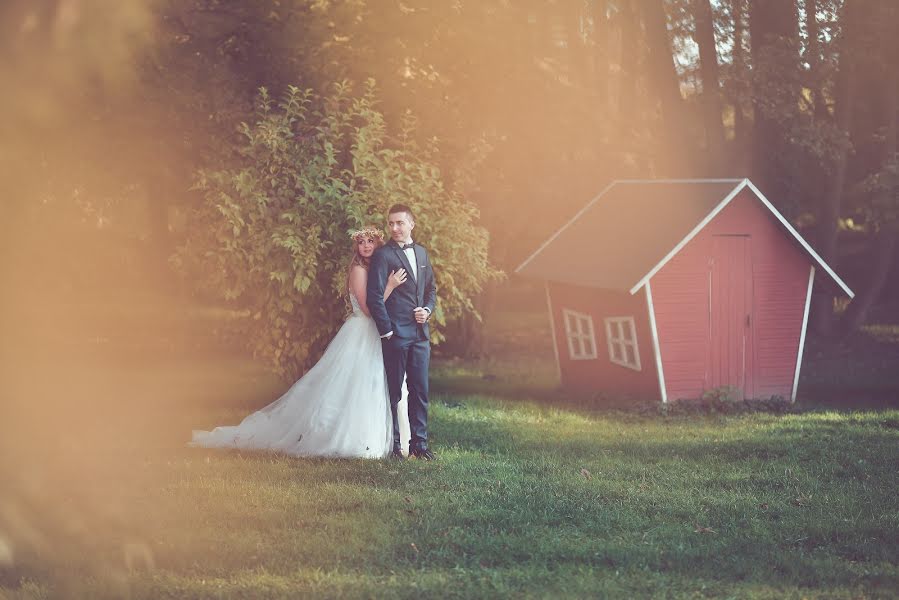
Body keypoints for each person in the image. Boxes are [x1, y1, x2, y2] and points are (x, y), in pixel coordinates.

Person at [189, 227, 411, 458]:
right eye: (361, 242)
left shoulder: (375, 267)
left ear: (378, 244)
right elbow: (367, 309)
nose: (365, 246)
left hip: (379, 332)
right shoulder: (358, 270)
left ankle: (393, 439)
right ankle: (355, 438)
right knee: (358, 385)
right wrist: (390, 286)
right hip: (362, 333)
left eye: (370, 241)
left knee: (380, 383)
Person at [366, 204, 437, 460]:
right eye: (391, 224)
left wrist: (427, 311)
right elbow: (375, 297)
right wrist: (386, 332)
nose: (394, 228)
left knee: (420, 390)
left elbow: (431, 291)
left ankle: (420, 445)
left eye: (399, 223)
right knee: (394, 392)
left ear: (411, 224)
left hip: (420, 335)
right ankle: (394, 445)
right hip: (395, 335)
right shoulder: (383, 256)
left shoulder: (422, 253)